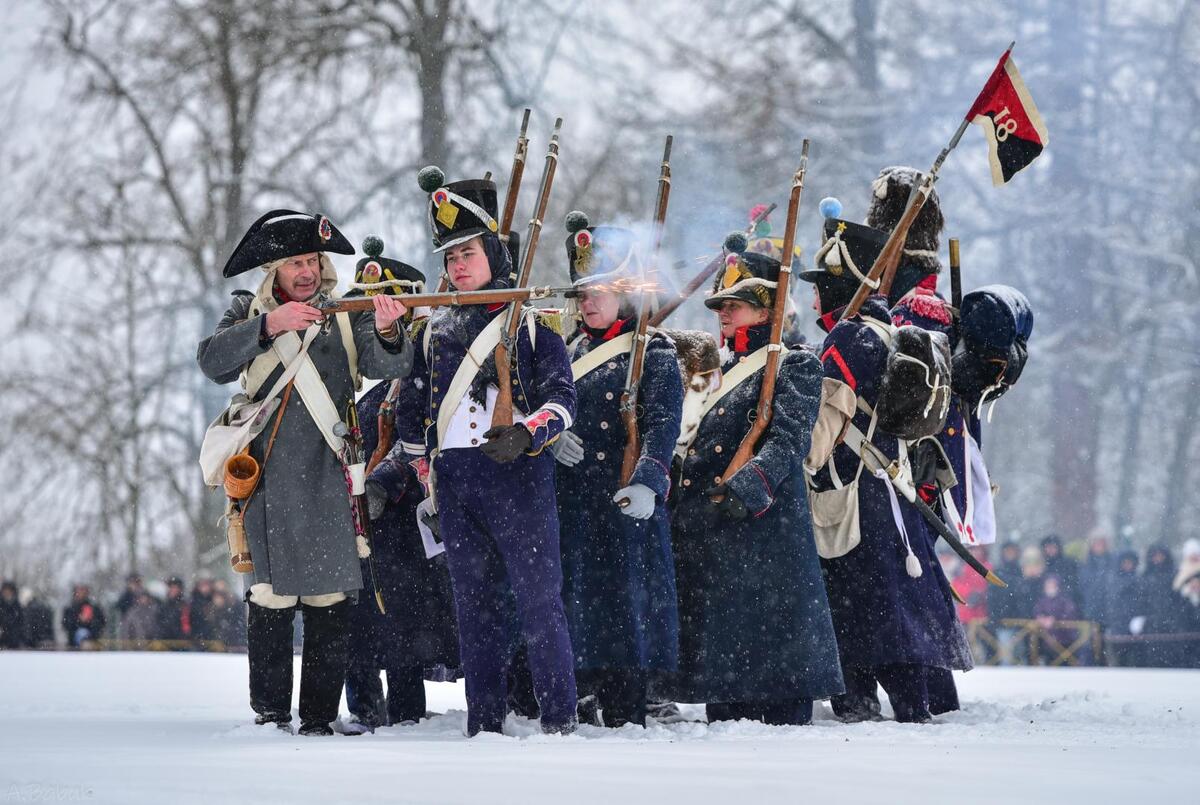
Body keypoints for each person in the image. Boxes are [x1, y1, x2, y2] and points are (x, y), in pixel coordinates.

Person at [197, 209, 412, 735]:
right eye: (296, 262)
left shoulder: (347, 313)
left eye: (313, 260)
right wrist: (270, 326)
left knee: (329, 600)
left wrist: (388, 329)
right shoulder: (248, 311)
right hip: (266, 475)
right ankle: (271, 714)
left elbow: (390, 366)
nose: (307, 271)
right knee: (270, 596)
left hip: (329, 474)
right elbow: (213, 362)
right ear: (275, 270)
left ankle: (318, 718)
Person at [388, 169, 577, 736]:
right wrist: (426, 471)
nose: (458, 265)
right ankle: (484, 721)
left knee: (540, 603)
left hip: (518, 476)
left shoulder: (531, 323)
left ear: (493, 253)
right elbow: (411, 414)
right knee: (473, 609)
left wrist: (528, 433)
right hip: (455, 481)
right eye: (450, 257)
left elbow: (563, 399)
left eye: (468, 252)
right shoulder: (431, 330)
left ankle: (559, 717)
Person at [800, 214, 971, 723]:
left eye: (820, 286)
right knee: (896, 604)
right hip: (892, 487)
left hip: (855, 493)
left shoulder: (846, 340)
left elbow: (820, 435)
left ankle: (859, 704)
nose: (813, 297)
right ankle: (917, 703)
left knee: (855, 606)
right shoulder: (891, 332)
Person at [671, 234, 843, 726]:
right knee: (724, 678)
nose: (723, 313)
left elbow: (788, 440)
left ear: (767, 308)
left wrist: (747, 487)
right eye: (721, 305)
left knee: (774, 668)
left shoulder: (796, 363)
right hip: (712, 528)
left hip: (765, 528)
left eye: (736, 304)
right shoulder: (714, 372)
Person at [550, 213, 682, 728]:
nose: (588, 302)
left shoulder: (653, 351)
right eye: (583, 293)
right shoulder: (566, 350)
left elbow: (664, 425)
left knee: (628, 608)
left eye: (599, 292)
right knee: (579, 604)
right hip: (576, 500)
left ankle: (629, 706)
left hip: (626, 498)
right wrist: (553, 438)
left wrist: (649, 480)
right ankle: (582, 692)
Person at [348, 237, 461, 733]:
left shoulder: (427, 366)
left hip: (407, 518)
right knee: (360, 621)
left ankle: (407, 714)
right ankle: (364, 709)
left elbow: (417, 436)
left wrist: (382, 481)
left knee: (404, 627)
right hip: (362, 518)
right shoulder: (363, 378)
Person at [987, 541, 1028, 664]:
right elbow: (992, 596)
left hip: (1021, 621)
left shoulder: (1022, 571)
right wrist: (995, 616)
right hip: (1003, 620)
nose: (1010, 554)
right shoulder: (998, 571)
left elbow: (1025, 596)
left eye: (1012, 551)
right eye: (1008, 551)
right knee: (1006, 656)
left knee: (1022, 653)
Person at [1105, 550, 1144, 667]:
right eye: (1125, 563)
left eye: (1130, 563)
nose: (1128, 565)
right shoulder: (1113, 580)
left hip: (1135, 624)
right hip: (1118, 624)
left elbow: (1142, 602)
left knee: (1135, 658)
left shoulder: (1140, 580)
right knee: (1119, 658)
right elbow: (1111, 603)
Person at [157, 577, 191, 644]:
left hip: (182, 642)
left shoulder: (185, 605)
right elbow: (159, 623)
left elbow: (187, 624)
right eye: (171, 587)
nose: (173, 590)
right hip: (165, 642)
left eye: (176, 588)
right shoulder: (163, 606)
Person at [0, 581, 24, 649]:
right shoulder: (1, 604)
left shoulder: (17, 605)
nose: (7, 593)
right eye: (5, 591)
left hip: (15, 640)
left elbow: (21, 622)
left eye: (9, 591)